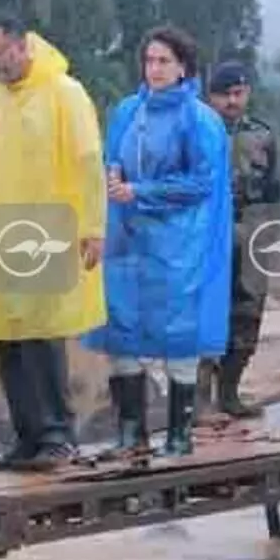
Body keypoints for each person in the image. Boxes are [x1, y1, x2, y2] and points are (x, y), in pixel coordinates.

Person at [0, 13, 107, 472]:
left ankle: (57, 435)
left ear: (21, 45)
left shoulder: (64, 93)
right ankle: (27, 436)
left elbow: (88, 164)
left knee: (41, 338)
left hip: (47, 228)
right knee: (8, 341)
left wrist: (93, 227)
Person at [88, 26, 230, 457]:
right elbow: (111, 158)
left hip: (178, 241)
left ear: (183, 67)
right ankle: (131, 434)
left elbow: (201, 182)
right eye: (149, 61)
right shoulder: (128, 111)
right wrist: (113, 176)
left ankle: (179, 434)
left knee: (178, 332)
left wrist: (141, 191)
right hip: (128, 237)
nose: (155, 69)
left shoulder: (199, 119)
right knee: (121, 326)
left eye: (164, 61)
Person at [201, 60, 280, 419]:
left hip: (252, 233)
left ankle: (229, 393)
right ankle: (199, 399)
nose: (232, 101)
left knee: (248, 313)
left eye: (238, 93)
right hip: (209, 233)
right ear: (211, 96)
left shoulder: (263, 135)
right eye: (224, 95)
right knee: (206, 312)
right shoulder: (198, 129)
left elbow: (273, 189)